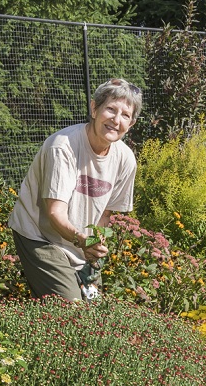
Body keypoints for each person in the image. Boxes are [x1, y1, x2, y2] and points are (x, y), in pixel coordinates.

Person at [8, 78, 141, 300]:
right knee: (72, 309)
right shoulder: (63, 147)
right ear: (94, 108)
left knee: (96, 308)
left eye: (125, 115)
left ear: (131, 124)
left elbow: (105, 214)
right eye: (110, 109)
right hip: (40, 236)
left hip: (79, 241)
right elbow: (54, 213)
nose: (116, 120)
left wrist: (95, 247)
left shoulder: (125, 159)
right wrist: (83, 241)